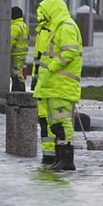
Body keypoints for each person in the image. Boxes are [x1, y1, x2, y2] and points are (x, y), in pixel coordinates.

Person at [32, 0, 82, 171]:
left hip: (62, 85)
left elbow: (69, 53)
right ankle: (61, 157)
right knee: (56, 124)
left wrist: (53, 66)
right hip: (54, 86)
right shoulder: (59, 28)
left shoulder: (66, 27)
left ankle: (67, 158)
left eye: (45, 13)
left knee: (62, 123)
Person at [30, 20, 55, 164]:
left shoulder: (48, 31)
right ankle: (49, 154)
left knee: (50, 121)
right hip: (43, 83)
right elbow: (39, 59)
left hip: (49, 84)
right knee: (44, 120)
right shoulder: (42, 30)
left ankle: (52, 155)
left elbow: (43, 58)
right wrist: (35, 77)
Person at [10, 6, 29, 92]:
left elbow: (9, 43)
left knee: (16, 77)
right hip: (23, 55)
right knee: (21, 77)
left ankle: (17, 96)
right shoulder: (24, 25)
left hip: (15, 56)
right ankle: (22, 95)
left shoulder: (14, 27)